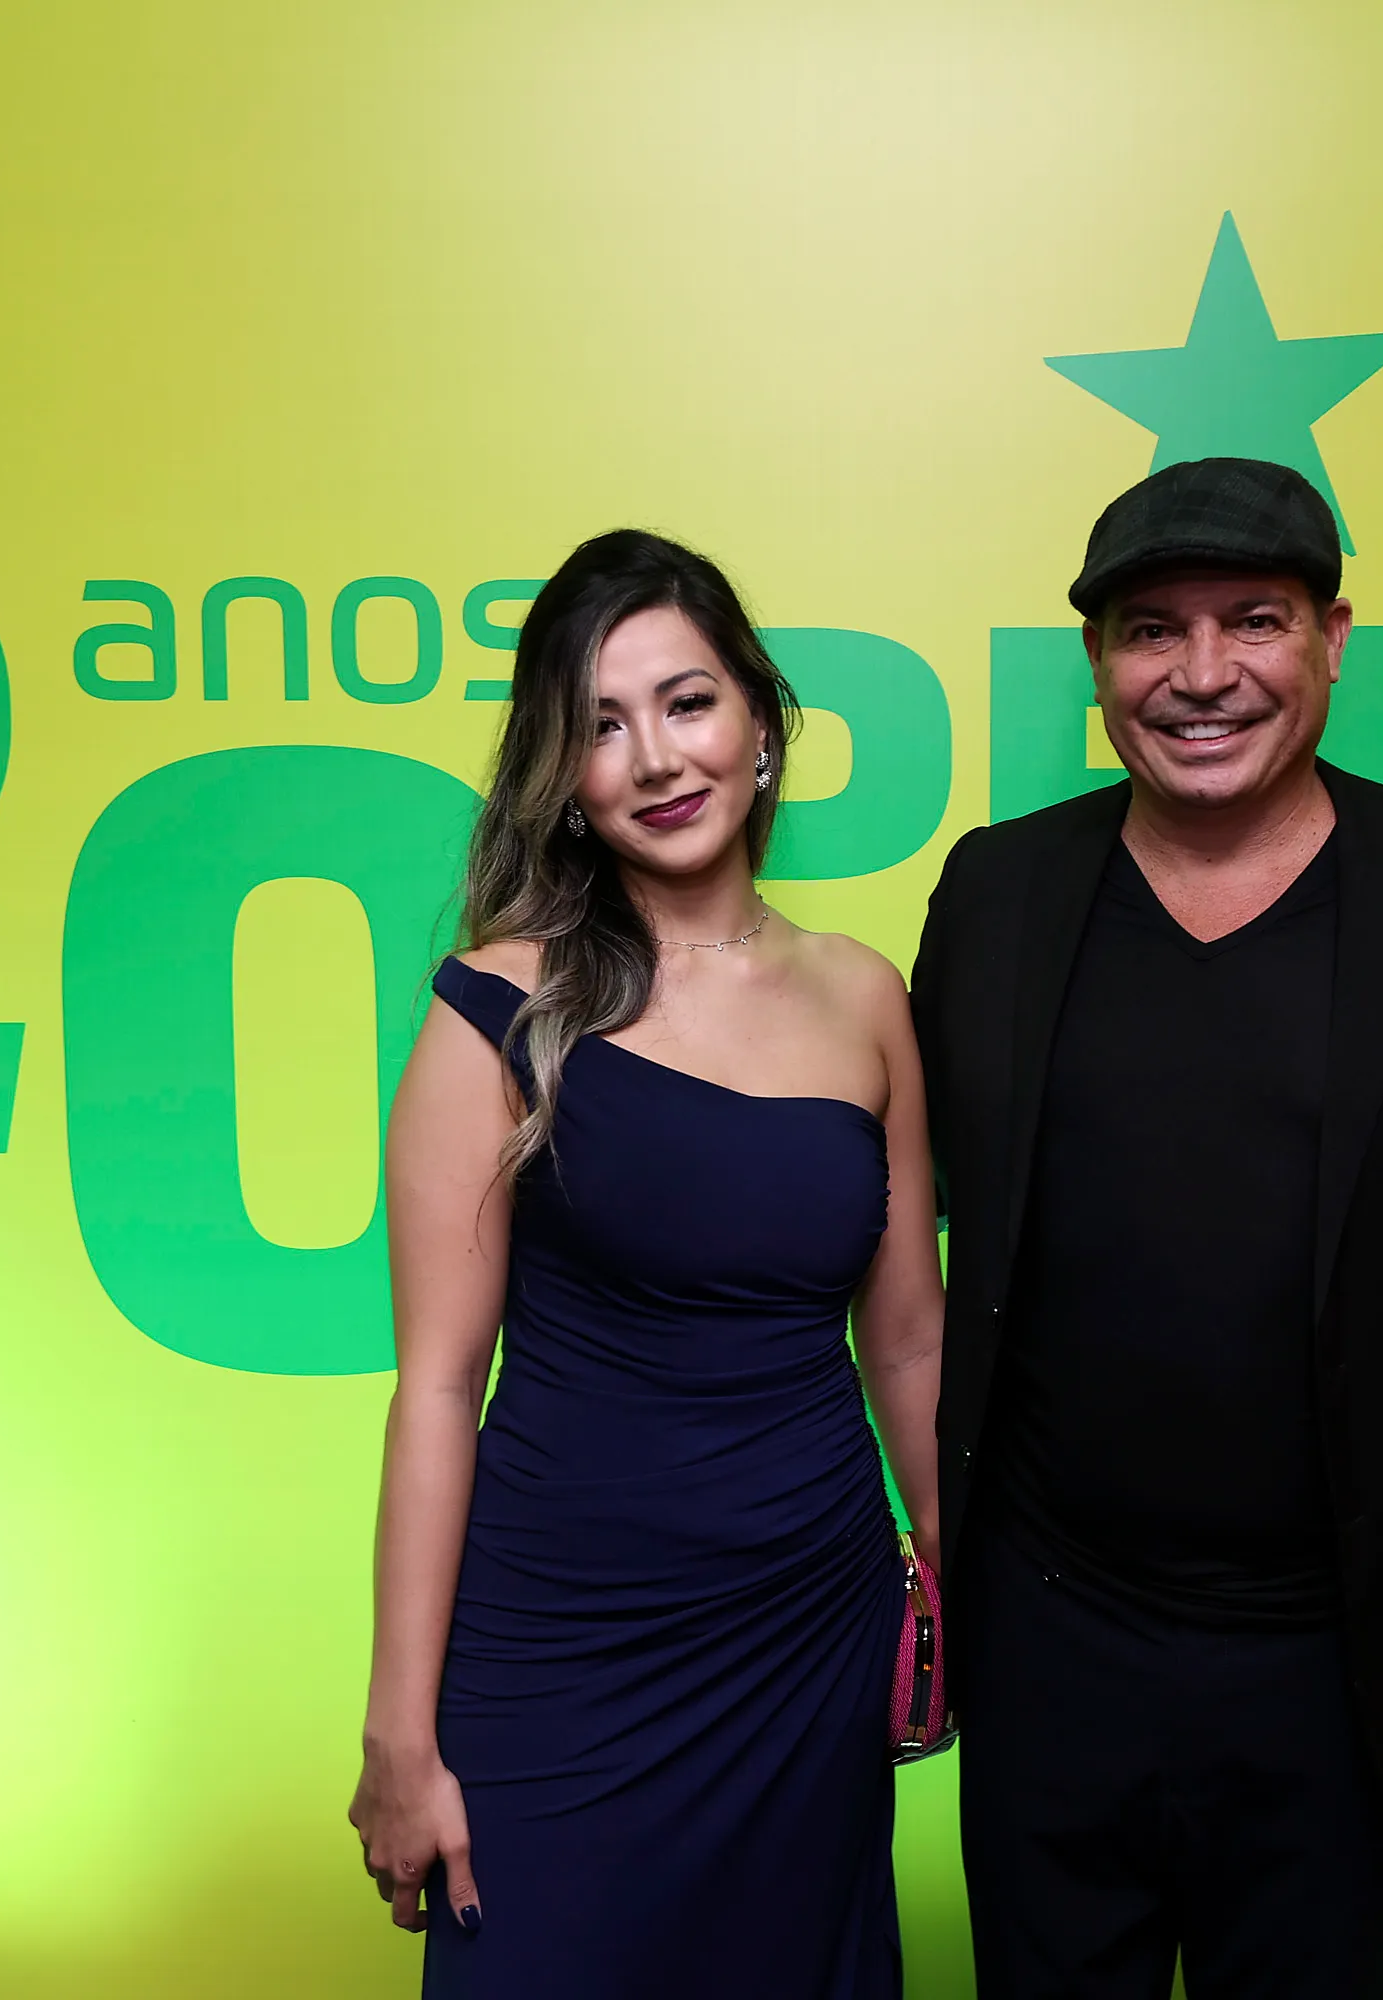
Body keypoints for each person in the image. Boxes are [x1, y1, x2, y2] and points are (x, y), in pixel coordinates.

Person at [910, 457, 1383, 1997]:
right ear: (1098, 663)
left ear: (1333, 638)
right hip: (1051, 1644)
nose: (1201, 675)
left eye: (1253, 620)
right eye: (1148, 630)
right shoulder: (997, 893)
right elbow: (892, 1245)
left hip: (1349, 1657)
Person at [348, 529, 945, 1998]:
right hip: (562, 1652)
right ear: (564, 773)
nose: (654, 758)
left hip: (808, 1634)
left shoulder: (865, 996)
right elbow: (436, 1389)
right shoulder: (500, 1005)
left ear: (760, 718)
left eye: (686, 703)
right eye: (599, 726)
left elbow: (912, 1340)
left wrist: (950, 1577)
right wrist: (398, 1734)